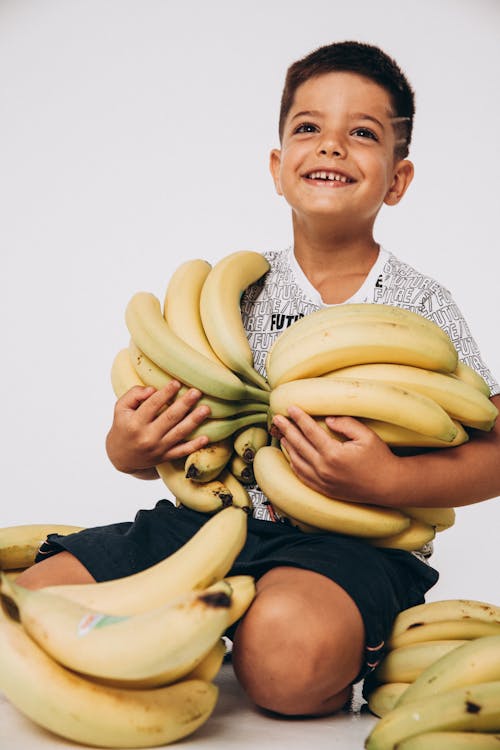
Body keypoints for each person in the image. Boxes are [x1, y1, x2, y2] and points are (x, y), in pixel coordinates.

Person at [16, 41, 500, 718]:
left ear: (398, 179)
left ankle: (299, 633)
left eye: (361, 133)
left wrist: (391, 482)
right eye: (308, 128)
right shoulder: (228, 296)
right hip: (204, 524)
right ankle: (205, 627)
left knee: (287, 674)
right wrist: (129, 445)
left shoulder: (420, 307)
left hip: (351, 543)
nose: (331, 146)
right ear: (278, 168)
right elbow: (148, 449)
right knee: (30, 607)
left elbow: (492, 445)